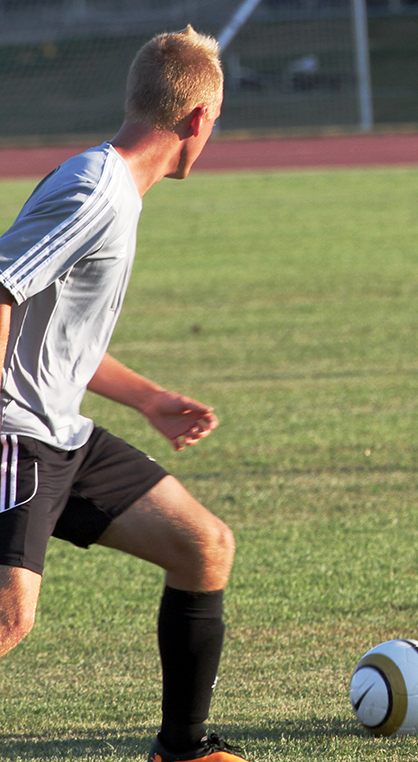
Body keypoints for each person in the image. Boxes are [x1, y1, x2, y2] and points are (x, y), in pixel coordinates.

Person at [0, 26, 249, 762]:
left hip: (64, 436)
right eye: (218, 122)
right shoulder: (96, 189)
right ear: (199, 119)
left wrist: (147, 398)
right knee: (10, 617)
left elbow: (51, 329)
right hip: (18, 435)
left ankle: (183, 750)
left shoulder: (109, 186)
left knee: (203, 546)